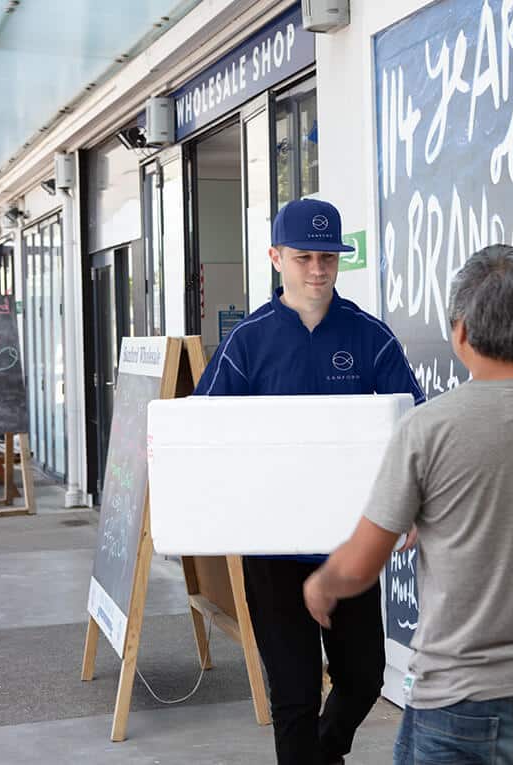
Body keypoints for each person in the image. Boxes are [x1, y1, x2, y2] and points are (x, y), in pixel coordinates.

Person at [303, 244, 513, 764]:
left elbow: (362, 564)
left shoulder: (428, 430)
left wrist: (323, 583)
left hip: (455, 702)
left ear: (462, 330)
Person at [194, 197, 425, 765]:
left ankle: (326, 753)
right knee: (293, 696)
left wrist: (419, 502)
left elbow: (417, 424)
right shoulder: (247, 342)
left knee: (365, 675)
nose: (318, 270)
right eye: (304, 258)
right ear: (276, 257)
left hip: (351, 543)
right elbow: (203, 427)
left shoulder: (370, 336)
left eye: (329, 258)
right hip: (273, 549)